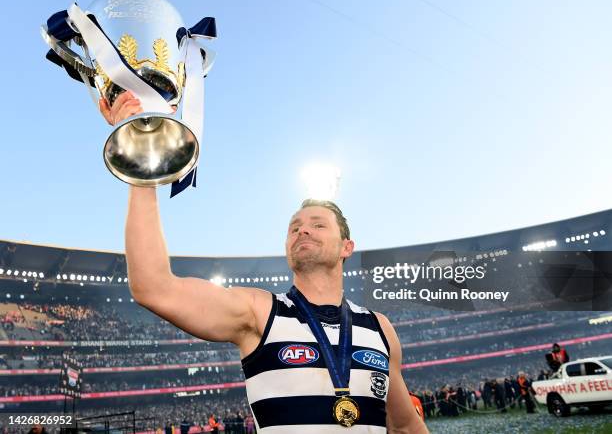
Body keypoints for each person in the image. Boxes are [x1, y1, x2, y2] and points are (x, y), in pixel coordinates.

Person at [101, 93, 430, 433]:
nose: (303, 229)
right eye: (294, 226)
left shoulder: (380, 328)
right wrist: (141, 157)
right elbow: (153, 287)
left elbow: (405, 426)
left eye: (318, 224)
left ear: (347, 247)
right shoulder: (259, 312)